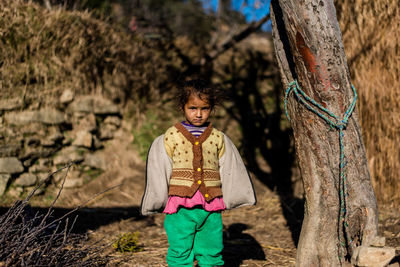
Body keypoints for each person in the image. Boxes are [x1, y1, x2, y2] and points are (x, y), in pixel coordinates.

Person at [141, 79, 256, 267]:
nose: (199, 114)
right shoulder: (171, 136)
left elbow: (229, 168)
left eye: (205, 108)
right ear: (182, 107)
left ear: (211, 109)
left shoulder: (218, 137)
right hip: (180, 206)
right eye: (192, 108)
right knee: (180, 250)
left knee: (212, 250)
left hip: (211, 206)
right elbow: (161, 167)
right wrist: (157, 199)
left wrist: (233, 196)